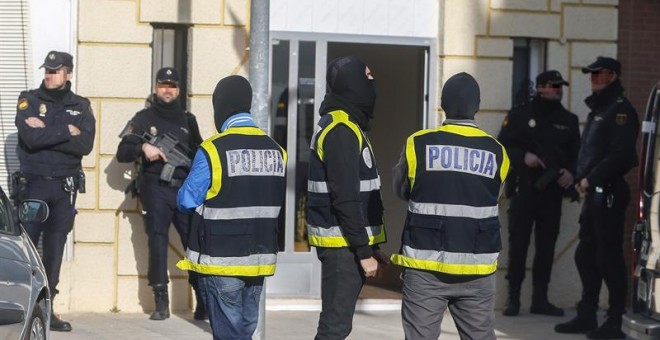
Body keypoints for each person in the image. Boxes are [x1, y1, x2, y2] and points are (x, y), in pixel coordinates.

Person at [390, 72, 510, 340]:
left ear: (443, 104)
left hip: (425, 267)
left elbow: (402, 189)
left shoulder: (418, 143)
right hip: (477, 269)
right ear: (477, 106)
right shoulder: (497, 151)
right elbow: (495, 197)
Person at [176, 75, 287, 340]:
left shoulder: (213, 149)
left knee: (228, 334)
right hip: (259, 259)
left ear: (220, 107)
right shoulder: (276, 150)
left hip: (222, 258)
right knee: (245, 331)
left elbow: (186, 200)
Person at [554, 57, 639, 339]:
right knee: (585, 255)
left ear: (612, 75)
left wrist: (591, 179)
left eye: (597, 73)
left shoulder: (620, 111)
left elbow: (622, 156)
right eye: (590, 73)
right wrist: (582, 180)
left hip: (610, 192)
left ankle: (615, 321)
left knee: (608, 257)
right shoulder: (599, 109)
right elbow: (590, 152)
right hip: (593, 194)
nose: (591, 77)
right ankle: (587, 315)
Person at [306, 55, 389, 340]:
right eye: (367, 76)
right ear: (351, 83)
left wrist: (370, 246)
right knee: (334, 328)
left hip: (346, 244)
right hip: (341, 245)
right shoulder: (341, 130)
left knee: (337, 326)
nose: (372, 83)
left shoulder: (349, 125)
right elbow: (345, 199)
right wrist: (362, 251)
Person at [15, 50, 96, 332]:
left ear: (68, 74)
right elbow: (31, 138)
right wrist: (66, 130)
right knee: (25, 250)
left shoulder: (81, 106)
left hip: (64, 188)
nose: (49, 75)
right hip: (35, 184)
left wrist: (48, 129)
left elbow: (85, 145)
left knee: (54, 251)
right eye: (47, 70)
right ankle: (21, 306)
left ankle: (48, 310)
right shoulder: (29, 100)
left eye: (55, 70)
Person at [116, 67, 205, 321]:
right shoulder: (144, 118)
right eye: (163, 85)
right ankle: (161, 299)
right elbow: (123, 152)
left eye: (172, 85)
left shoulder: (188, 120)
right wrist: (143, 147)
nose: (168, 89)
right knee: (157, 240)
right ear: (155, 87)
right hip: (155, 187)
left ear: (179, 90)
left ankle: (202, 297)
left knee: (195, 243)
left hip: (184, 189)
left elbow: (199, 153)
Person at [498, 70, 580, 317]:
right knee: (519, 244)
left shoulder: (569, 120)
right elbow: (501, 146)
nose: (558, 90)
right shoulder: (520, 115)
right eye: (553, 86)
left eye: (560, 87)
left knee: (546, 246)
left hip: (552, 194)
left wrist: (570, 173)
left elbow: (578, 156)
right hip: (524, 190)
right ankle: (513, 298)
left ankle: (540, 300)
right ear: (541, 87)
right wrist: (523, 156)